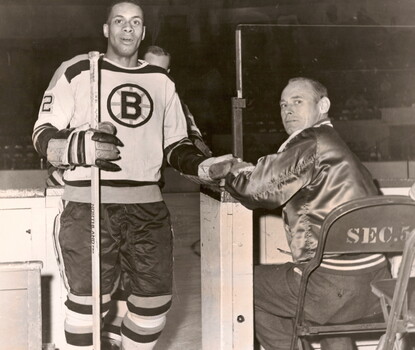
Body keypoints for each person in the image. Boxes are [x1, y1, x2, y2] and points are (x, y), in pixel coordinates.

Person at [32, 1, 236, 349]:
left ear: (143, 32)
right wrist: (77, 147)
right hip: (89, 207)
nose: (128, 28)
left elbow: (176, 145)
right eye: (120, 21)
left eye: (136, 22)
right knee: (87, 306)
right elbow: (42, 133)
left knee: (152, 305)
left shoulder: (161, 82)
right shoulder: (79, 70)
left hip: (147, 209)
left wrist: (202, 166)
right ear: (106, 29)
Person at [224, 77, 391, 350]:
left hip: (330, 289)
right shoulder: (337, 145)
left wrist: (229, 170)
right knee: (326, 311)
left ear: (323, 105)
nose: (287, 110)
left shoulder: (311, 140)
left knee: (242, 282)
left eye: (298, 102)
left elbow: (256, 190)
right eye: (283, 105)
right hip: (373, 286)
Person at [143, 45, 213, 157]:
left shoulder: (172, 98)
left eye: (161, 72)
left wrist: (196, 143)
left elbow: (189, 126)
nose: (155, 77)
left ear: (168, 72)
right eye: (151, 69)